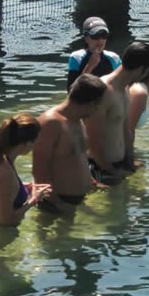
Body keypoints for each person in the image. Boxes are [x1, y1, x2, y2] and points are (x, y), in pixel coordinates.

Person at [84, 42, 149, 185]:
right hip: (100, 169)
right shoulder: (103, 91)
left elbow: (126, 132)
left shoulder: (124, 89)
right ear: (141, 69)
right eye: (148, 70)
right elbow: (92, 140)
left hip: (119, 166)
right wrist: (110, 171)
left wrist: (130, 162)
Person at [32, 74, 107, 214]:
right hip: (56, 203)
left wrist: (91, 181)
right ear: (91, 103)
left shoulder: (77, 120)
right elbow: (39, 170)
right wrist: (57, 202)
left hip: (74, 201)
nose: (98, 111)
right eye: (98, 106)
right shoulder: (51, 123)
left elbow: (78, 156)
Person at [0, 114, 52, 226]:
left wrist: (23, 187)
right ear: (26, 143)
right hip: (2, 233)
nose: (34, 146)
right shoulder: (5, 171)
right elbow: (7, 219)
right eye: (34, 141)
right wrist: (34, 199)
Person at [67, 17, 121, 91]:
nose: (100, 40)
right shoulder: (77, 57)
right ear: (86, 38)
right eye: (95, 36)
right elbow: (71, 92)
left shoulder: (114, 58)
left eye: (104, 35)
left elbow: (123, 85)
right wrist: (90, 66)